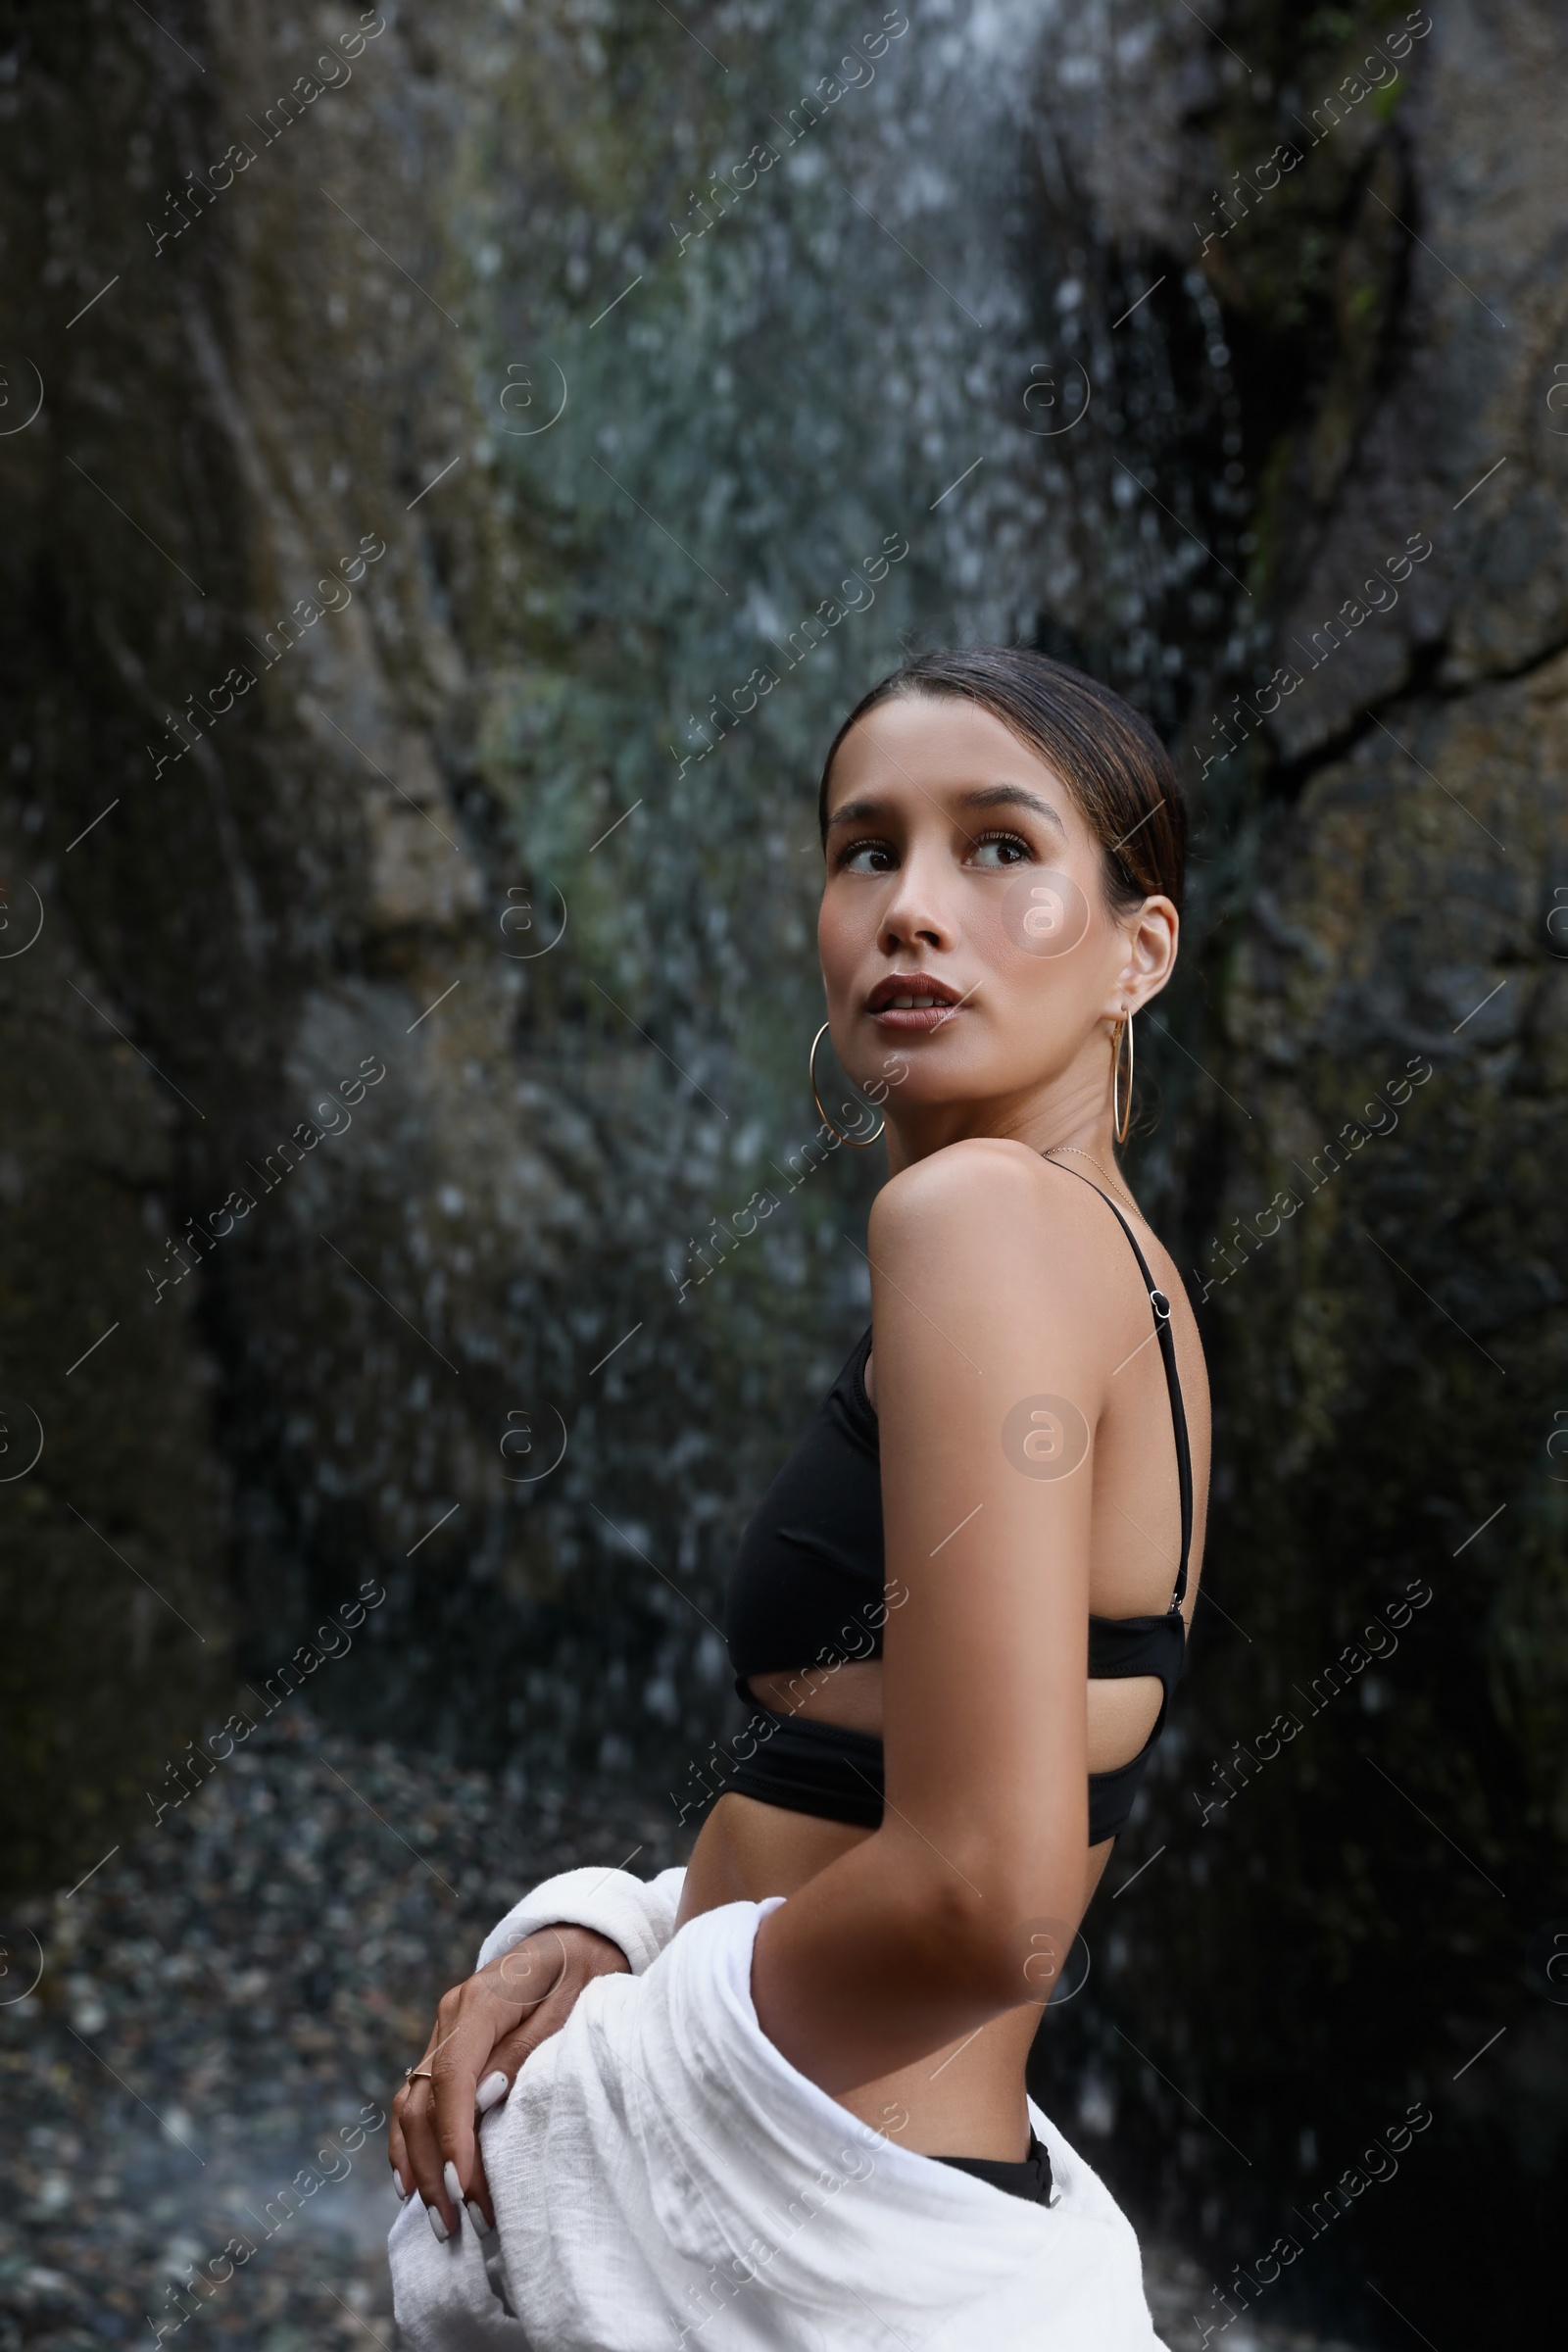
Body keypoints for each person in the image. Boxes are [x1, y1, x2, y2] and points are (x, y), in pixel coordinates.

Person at [386, 647, 1209, 2349]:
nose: (914, 908)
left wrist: (639, 2051)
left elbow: (993, 1895)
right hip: (905, 2220)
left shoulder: (978, 1222)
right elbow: (889, 1801)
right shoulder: (1124, 1269)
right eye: (865, 849)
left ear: (1142, 949)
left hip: (825, 2240)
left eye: (998, 848)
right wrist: (621, 1938)